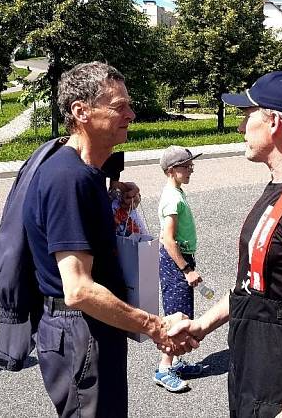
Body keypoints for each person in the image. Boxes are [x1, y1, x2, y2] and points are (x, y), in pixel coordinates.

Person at [169, 71, 282, 417]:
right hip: (255, 368)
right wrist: (201, 326)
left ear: (274, 123)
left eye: (246, 116)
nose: (240, 128)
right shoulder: (278, 186)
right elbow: (248, 286)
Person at [22, 62, 195, 417]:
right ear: (81, 111)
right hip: (81, 329)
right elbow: (78, 289)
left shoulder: (83, 172)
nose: (131, 114)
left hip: (90, 327)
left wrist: (113, 192)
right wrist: (155, 326)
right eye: (119, 106)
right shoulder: (69, 179)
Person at [154, 146, 205, 392]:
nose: (191, 170)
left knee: (184, 311)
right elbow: (168, 239)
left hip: (181, 259)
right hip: (177, 262)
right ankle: (164, 368)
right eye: (187, 166)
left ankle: (176, 362)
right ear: (173, 170)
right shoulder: (172, 198)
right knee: (178, 316)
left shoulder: (177, 192)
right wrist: (186, 269)